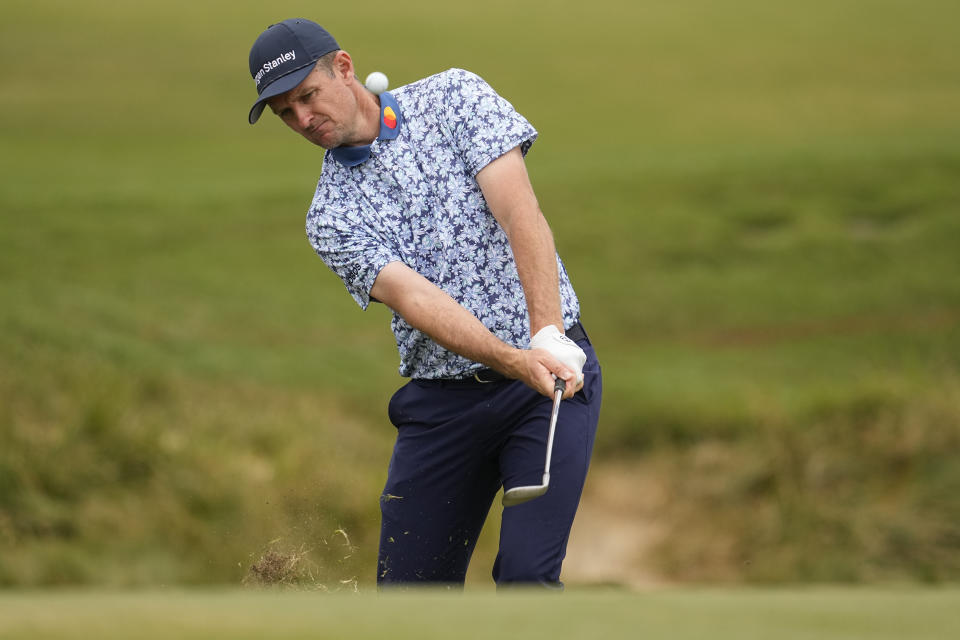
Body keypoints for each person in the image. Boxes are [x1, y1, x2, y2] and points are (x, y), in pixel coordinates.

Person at [246, 18, 602, 589]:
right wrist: (513, 360)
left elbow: (521, 215)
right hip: (442, 408)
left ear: (343, 67)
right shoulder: (330, 215)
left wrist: (546, 335)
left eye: (307, 97)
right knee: (409, 599)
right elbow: (416, 299)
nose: (303, 120)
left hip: (552, 377)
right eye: (286, 113)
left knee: (526, 578)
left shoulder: (455, 97)